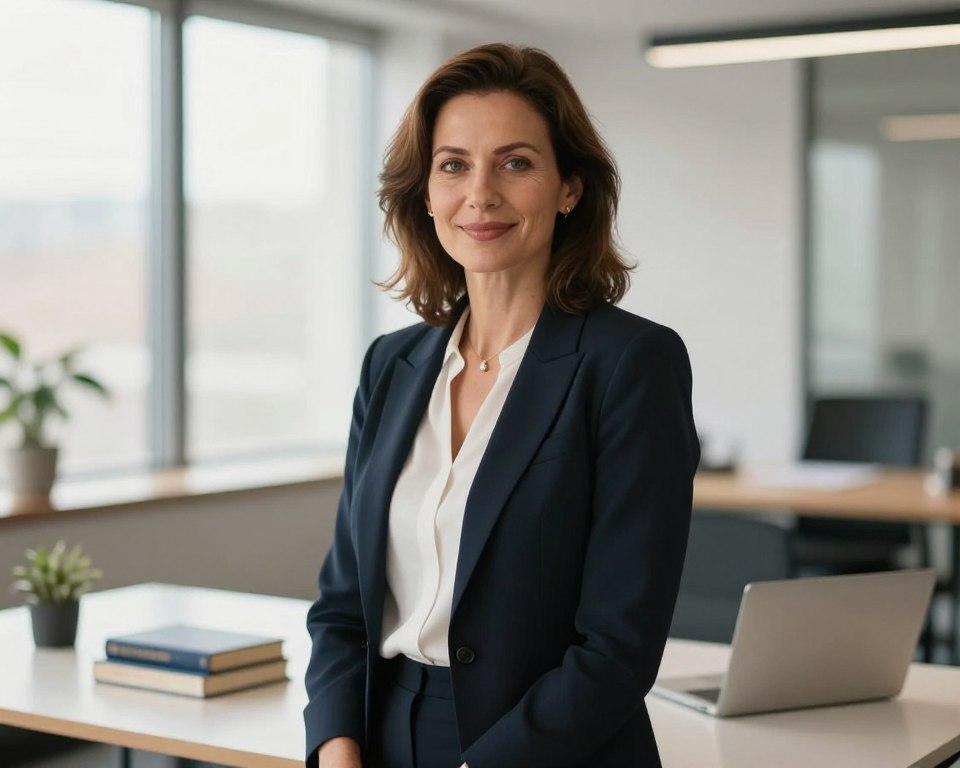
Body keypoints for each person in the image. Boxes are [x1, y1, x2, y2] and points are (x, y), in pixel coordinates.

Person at [303, 43, 699, 768]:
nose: (480, 194)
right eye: (453, 165)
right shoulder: (390, 366)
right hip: (382, 735)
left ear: (569, 187)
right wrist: (335, 748)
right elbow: (342, 606)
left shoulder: (630, 363)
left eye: (515, 163)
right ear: (425, 193)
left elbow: (618, 647)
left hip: (550, 751)